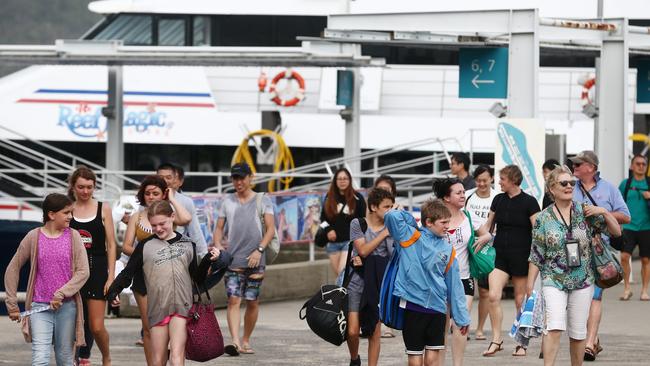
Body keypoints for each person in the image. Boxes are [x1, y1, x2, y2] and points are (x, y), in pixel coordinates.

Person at [107, 200, 228, 366]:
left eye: (162, 223)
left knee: (177, 355)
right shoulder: (145, 246)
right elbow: (128, 272)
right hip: (158, 307)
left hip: (182, 306)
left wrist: (208, 260)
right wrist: (114, 290)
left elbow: (197, 278)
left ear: (172, 217)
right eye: (154, 225)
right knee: (158, 359)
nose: (158, 229)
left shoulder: (188, 244)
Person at [528, 165, 622, 366]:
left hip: (583, 279)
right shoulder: (543, 218)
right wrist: (529, 288)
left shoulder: (584, 211)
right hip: (553, 278)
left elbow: (616, 232)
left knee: (579, 333)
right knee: (554, 327)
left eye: (572, 183)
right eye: (564, 183)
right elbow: (536, 254)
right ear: (552, 189)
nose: (570, 186)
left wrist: (604, 211)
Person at [4, 193, 90, 366]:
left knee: (64, 357)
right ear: (51, 214)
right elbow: (12, 268)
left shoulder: (73, 236)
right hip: (39, 307)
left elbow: (83, 271)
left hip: (67, 307)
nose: (70, 216)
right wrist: (12, 304)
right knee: (40, 356)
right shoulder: (33, 236)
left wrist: (61, 293)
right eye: (66, 213)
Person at [384, 199, 470, 366]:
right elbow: (391, 216)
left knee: (432, 360)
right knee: (415, 360)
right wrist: (413, 221)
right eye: (443, 222)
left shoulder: (448, 249)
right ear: (429, 222)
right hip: (413, 306)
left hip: (437, 308)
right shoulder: (410, 236)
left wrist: (462, 318)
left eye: (448, 222)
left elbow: (455, 286)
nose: (447, 226)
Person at [121, 175, 191, 364]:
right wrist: (146, 252)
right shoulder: (137, 216)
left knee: (173, 324)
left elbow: (186, 219)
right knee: (149, 326)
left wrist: (173, 198)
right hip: (143, 276)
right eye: (147, 193)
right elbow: (126, 246)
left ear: (164, 194)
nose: (151, 196)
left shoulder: (168, 213)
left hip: (169, 276)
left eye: (155, 193)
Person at [570, 150, 630, 361]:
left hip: (597, 251)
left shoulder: (609, 189)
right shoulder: (569, 187)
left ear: (591, 167)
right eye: (574, 164)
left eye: (578, 164)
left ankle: (588, 342)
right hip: (572, 250)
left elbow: (626, 216)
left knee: (595, 296)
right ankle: (593, 340)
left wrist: (601, 211)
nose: (574, 167)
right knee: (578, 298)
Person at [212, 162, 276, 356]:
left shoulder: (263, 199)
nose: (238, 182)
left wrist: (259, 250)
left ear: (250, 177)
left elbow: (271, 229)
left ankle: (246, 339)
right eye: (235, 178)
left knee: (252, 301)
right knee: (233, 300)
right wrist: (219, 247)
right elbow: (219, 228)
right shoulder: (227, 201)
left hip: (257, 260)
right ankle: (235, 341)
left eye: (242, 177)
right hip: (233, 260)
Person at [477, 164, 541, 357]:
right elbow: (488, 226)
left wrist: (537, 258)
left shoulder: (530, 202)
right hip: (500, 255)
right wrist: (479, 235)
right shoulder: (498, 199)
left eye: (502, 179)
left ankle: (522, 343)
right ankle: (496, 339)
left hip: (522, 256)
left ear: (513, 180)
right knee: (493, 296)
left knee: (520, 300)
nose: (499, 182)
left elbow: (537, 231)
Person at [434, 178, 492, 366]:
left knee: (460, 323)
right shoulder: (435, 217)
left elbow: (487, 233)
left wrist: (483, 239)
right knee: (441, 327)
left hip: (464, 278)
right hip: (439, 279)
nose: (462, 195)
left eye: (463, 192)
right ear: (446, 197)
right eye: (458, 193)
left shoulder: (468, 215)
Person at [68, 166, 117, 366]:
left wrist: (111, 275)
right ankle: (72, 359)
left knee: (96, 327)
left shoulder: (103, 208)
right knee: (70, 324)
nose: (85, 191)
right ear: (73, 187)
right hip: (72, 271)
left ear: (94, 186)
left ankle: (106, 356)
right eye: (81, 187)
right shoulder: (67, 209)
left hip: (97, 268)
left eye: (89, 187)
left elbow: (112, 244)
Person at [345, 188, 395, 366]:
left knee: (374, 330)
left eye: (392, 206)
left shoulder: (392, 226)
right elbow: (363, 250)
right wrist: (384, 234)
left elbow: (392, 255)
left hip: (379, 283)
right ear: (373, 206)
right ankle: (354, 358)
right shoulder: (358, 224)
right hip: (356, 282)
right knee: (352, 331)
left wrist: (393, 233)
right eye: (386, 207)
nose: (390, 210)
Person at [463, 165, 498, 341]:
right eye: (478, 180)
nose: (482, 184)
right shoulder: (468, 195)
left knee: (485, 292)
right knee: (465, 288)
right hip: (468, 246)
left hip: (488, 249)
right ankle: (463, 326)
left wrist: (487, 235)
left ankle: (480, 328)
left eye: (485, 180)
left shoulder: (497, 197)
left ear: (492, 178)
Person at [320, 168, 367, 276]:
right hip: (332, 244)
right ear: (335, 181)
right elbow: (322, 220)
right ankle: (343, 293)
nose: (342, 181)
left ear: (349, 180)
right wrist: (328, 230)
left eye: (345, 178)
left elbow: (364, 220)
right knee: (339, 276)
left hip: (349, 242)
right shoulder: (329, 197)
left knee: (342, 273)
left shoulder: (357, 198)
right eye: (339, 179)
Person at [157, 163, 208, 257]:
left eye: (168, 177)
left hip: (175, 255)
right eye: (161, 177)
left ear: (174, 179)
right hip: (150, 254)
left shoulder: (186, 201)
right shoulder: (149, 199)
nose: (164, 181)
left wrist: (204, 256)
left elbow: (195, 232)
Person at [618, 154, 650, 301]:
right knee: (624, 257)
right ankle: (627, 288)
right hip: (628, 226)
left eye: (644, 164)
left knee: (645, 260)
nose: (641, 166)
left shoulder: (649, 183)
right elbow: (617, 203)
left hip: (646, 226)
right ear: (632, 166)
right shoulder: (625, 184)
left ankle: (644, 291)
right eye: (638, 164)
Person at [372, 174, 400, 339]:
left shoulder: (397, 211)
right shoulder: (372, 213)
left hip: (392, 257)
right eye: (380, 189)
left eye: (387, 190)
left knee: (388, 290)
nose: (383, 192)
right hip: (375, 259)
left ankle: (387, 323)